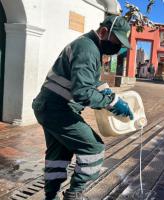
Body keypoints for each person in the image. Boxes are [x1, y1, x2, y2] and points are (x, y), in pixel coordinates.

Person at [32, 15, 134, 200]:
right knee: (93, 149)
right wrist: (112, 104)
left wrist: (112, 96)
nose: (118, 47)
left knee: (59, 156)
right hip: (58, 108)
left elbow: (92, 82)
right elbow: (83, 92)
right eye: (116, 41)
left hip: (49, 106)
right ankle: (74, 195)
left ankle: (51, 196)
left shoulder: (90, 47)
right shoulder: (88, 49)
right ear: (104, 32)